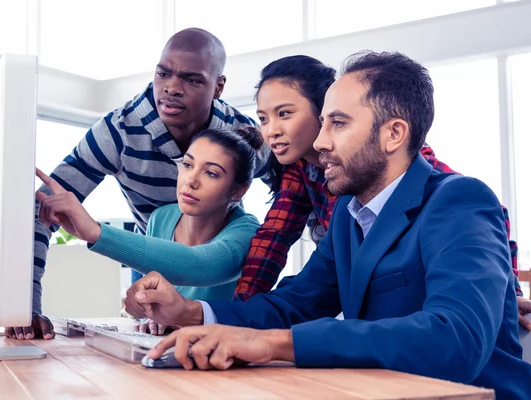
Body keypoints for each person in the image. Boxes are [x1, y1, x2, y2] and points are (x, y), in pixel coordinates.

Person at [123, 51, 531, 399]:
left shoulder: (459, 200)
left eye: (338, 123)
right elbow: (294, 303)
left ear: (393, 134)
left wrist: (272, 344)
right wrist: (192, 312)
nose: (319, 143)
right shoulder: (348, 218)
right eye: (322, 124)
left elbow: (455, 338)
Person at [5, 28, 271, 340]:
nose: (172, 88)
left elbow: (296, 199)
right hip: (153, 274)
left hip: (220, 289)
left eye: (192, 79)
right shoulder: (117, 133)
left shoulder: (245, 138)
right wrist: (23, 303)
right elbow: (45, 209)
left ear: (218, 86)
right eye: (163, 73)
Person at [234, 54, 531, 328]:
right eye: (262, 118)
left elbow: (469, 216)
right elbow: (275, 246)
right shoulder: (328, 196)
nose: (271, 129)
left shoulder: (428, 182)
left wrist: (505, 290)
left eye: (337, 123)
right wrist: (213, 315)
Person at [34, 127, 262, 335]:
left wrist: (96, 232)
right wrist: (148, 312)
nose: (190, 181)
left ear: (238, 190)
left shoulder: (247, 231)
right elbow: (152, 300)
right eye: (188, 164)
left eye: (211, 173)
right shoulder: (161, 218)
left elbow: (201, 265)